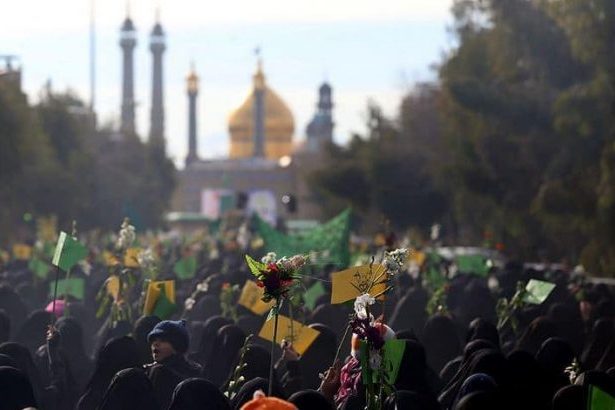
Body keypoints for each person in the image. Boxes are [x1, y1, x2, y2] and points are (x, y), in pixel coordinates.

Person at [144, 319, 202, 409]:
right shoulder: (148, 370)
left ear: (177, 346)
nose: (155, 344)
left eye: (163, 340)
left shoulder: (191, 371)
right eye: (153, 340)